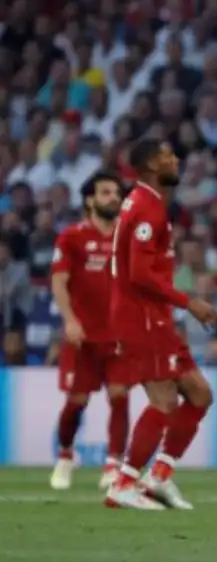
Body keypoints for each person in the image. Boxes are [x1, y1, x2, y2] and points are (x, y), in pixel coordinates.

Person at [104, 140, 217, 510]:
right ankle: (123, 484)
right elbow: (139, 274)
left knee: (200, 394)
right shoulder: (147, 209)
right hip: (141, 317)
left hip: (156, 317)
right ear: (151, 166)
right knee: (164, 401)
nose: (176, 160)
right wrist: (191, 302)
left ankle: (159, 477)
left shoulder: (148, 204)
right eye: (168, 156)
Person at [49, 171, 127, 491]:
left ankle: (113, 464)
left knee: (119, 397)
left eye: (116, 193)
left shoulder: (128, 238)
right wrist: (69, 319)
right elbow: (59, 281)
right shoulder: (72, 237)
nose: (114, 198)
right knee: (76, 401)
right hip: (82, 336)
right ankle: (66, 456)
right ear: (89, 200)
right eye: (106, 192)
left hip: (119, 335)